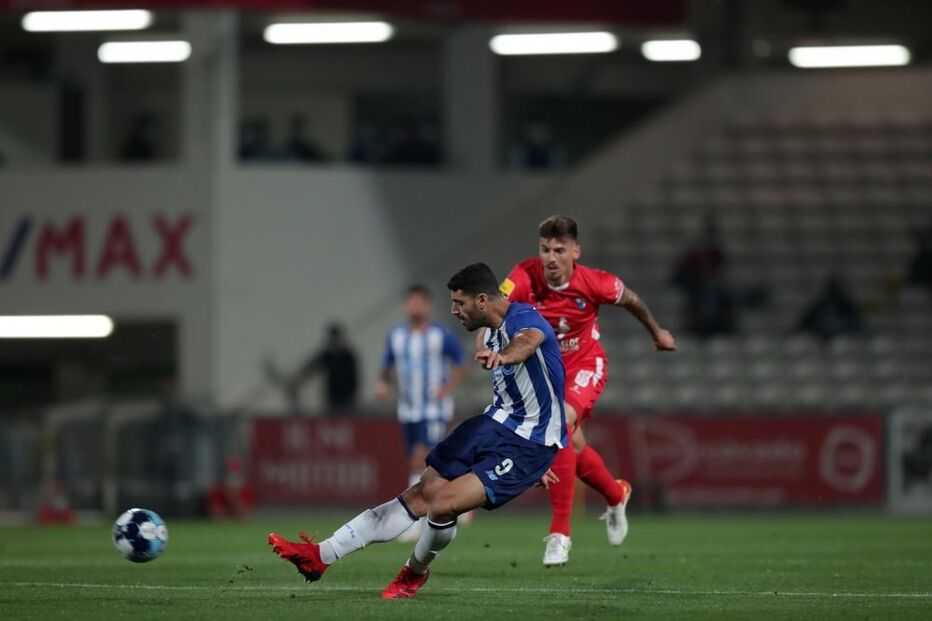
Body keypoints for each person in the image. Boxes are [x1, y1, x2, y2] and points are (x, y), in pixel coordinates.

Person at [268, 263, 565, 599]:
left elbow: (528, 342)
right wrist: (489, 347)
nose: (454, 311)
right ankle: (320, 556)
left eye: (460, 303)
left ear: (482, 300)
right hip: (493, 423)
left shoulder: (524, 319)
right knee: (419, 494)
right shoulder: (488, 328)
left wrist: (504, 357)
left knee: (442, 504)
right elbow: (495, 341)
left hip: (528, 444)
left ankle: (413, 574)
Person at [500, 215, 676, 566]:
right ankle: (616, 493)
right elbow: (494, 309)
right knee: (573, 448)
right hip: (546, 375)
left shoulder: (595, 283)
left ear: (575, 252)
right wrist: (485, 343)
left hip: (585, 366)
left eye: (559, 250)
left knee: (561, 426)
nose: (551, 257)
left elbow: (632, 300)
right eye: (545, 249)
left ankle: (560, 534)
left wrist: (656, 332)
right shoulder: (522, 275)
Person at [376, 285, 470, 541]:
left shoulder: (441, 335)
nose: (415, 306)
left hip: (433, 408)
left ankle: (414, 520)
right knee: (422, 461)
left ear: (427, 306)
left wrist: (447, 388)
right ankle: (460, 495)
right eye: (411, 302)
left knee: (422, 457)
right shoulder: (396, 336)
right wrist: (383, 383)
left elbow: (462, 362)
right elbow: (385, 364)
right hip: (408, 410)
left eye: (419, 302)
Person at [265, 323, 359, 415]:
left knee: (345, 417)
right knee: (332, 418)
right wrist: (296, 378)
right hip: (332, 397)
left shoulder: (349, 357)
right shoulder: (327, 356)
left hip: (347, 399)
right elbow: (310, 368)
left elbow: (355, 378)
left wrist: (352, 395)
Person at [796, 274, 864, 342]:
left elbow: (856, 325)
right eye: (831, 288)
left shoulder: (846, 304)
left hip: (842, 337)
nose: (833, 292)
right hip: (819, 338)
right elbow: (805, 322)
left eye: (836, 288)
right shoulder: (820, 304)